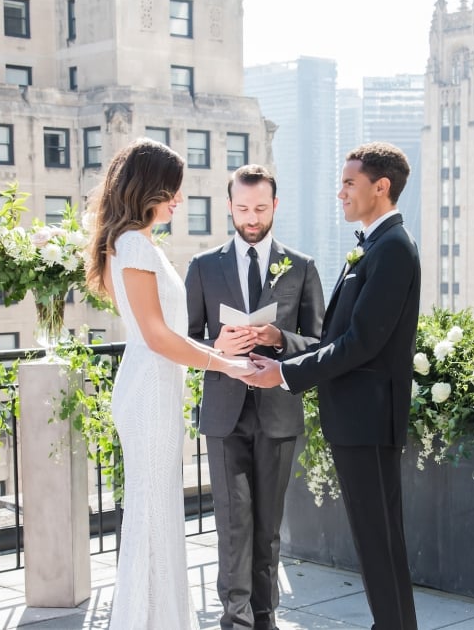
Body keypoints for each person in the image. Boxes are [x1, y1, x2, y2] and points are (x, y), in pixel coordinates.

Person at [243, 142, 420, 630]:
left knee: (378, 538)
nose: (338, 192)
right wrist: (282, 346)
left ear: (380, 188)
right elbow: (335, 337)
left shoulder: (393, 250)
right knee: (374, 539)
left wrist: (282, 375)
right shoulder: (371, 245)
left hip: (369, 421)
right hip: (355, 418)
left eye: (348, 183)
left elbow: (362, 343)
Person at [85, 138, 255, 629]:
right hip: (148, 393)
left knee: (157, 511)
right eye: (172, 190)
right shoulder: (135, 244)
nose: (179, 200)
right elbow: (157, 337)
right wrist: (222, 363)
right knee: (152, 513)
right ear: (148, 189)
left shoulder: (136, 242)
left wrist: (215, 348)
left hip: (156, 389)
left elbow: (161, 332)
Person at [185, 165, 325, 630]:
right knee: (232, 526)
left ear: (275, 206)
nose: (251, 217)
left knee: (267, 528)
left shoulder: (301, 266)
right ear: (229, 206)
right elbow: (185, 342)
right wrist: (217, 348)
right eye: (242, 208)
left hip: (278, 413)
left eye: (260, 208)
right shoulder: (203, 267)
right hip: (224, 414)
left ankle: (265, 618)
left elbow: (321, 343)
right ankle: (236, 622)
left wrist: (278, 337)